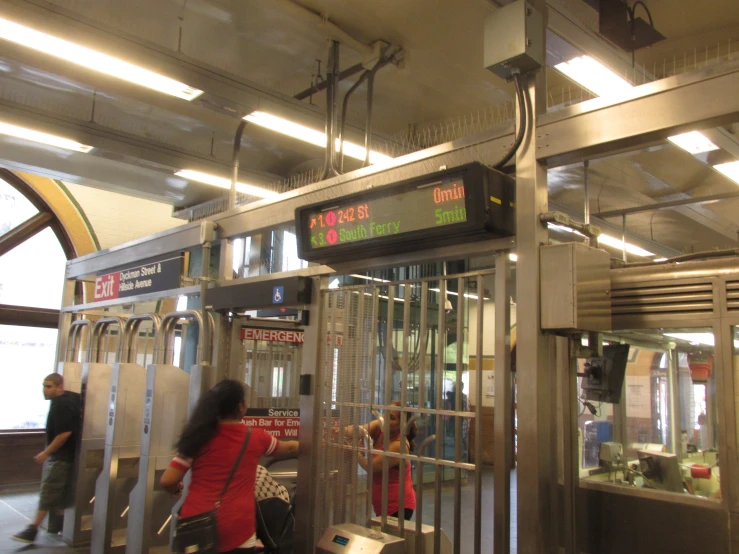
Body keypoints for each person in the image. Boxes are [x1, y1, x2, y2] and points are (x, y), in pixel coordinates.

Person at [160, 380, 298, 554]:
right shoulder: (255, 437)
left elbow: (168, 480)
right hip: (238, 528)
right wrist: (318, 444)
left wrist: (176, 489)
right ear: (240, 406)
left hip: (196, 524)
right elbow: (290, 448)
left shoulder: (197, 437)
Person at [12, 374, 81, 543]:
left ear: (59, 387)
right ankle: (58, 524)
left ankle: (33, 529)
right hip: (65, 455)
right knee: (56, 492)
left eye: (49, 386)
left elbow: (64, 433)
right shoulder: (69, 398)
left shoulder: (60, 405)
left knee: (48, 491)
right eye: (44, 386)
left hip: (61, 457)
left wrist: (46, 452)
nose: (45, 390)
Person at [349, 401, 417, 520]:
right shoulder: (380, 427)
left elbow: (371, 466)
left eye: (391, 418)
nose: (385, 419)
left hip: (398, 506)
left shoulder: (399, 445)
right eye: (385, 414)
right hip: (382, 504)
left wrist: (354, 450)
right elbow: (353, 431)